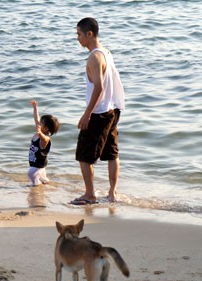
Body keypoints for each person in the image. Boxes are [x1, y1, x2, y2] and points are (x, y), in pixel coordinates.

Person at [71, 17, 125, 205]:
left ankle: (90, 194)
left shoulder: (94, 57)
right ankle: (112, 193)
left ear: (89, 34)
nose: (77, 38)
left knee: (84, 156)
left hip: (99, 113)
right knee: (111, 154)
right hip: (112, 110)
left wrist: (87, 114)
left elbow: (99, 87)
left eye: (79, 34)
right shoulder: (106, 53)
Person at [28, 99, 60, 186]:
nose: (39, 123)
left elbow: (45, 139)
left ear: (46, 129)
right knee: (42, 176)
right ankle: (45, 182)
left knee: (31, 173)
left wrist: (39, 133)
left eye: (41, 123)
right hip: (37, 161)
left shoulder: (45, 137)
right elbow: (36, 118)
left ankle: (36, 185)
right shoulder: (40, 130)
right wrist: (35, 108)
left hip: (39, 163)